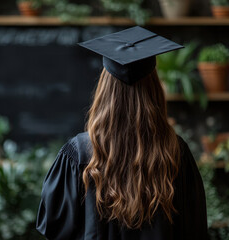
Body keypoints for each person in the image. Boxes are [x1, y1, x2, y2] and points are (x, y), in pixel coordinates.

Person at [36, 27, 209, 240]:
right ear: (154, 90)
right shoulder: (175, 152)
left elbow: (53, 228)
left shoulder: (78, 153)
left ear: (104, 90)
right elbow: (195, 230)